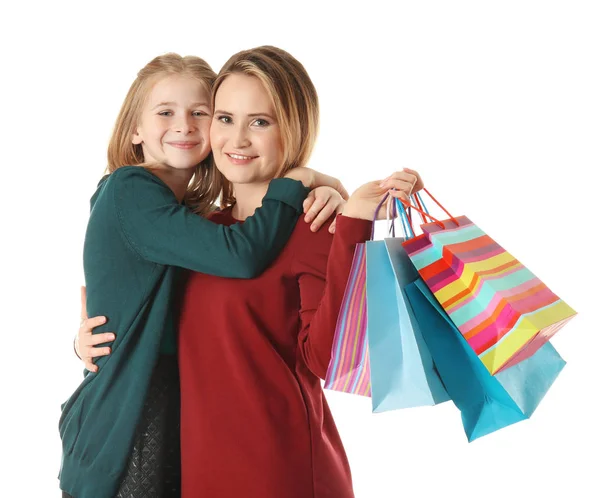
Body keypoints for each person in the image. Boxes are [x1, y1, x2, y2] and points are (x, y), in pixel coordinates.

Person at [59, 52, 347, 498]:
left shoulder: (193, 224)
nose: (185, 125)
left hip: (187, 436)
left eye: (201, 113)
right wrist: (303, 177)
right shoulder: (129, 189)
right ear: (134, 129)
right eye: (165, 112)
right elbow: (241, 256)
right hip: (130, 428)